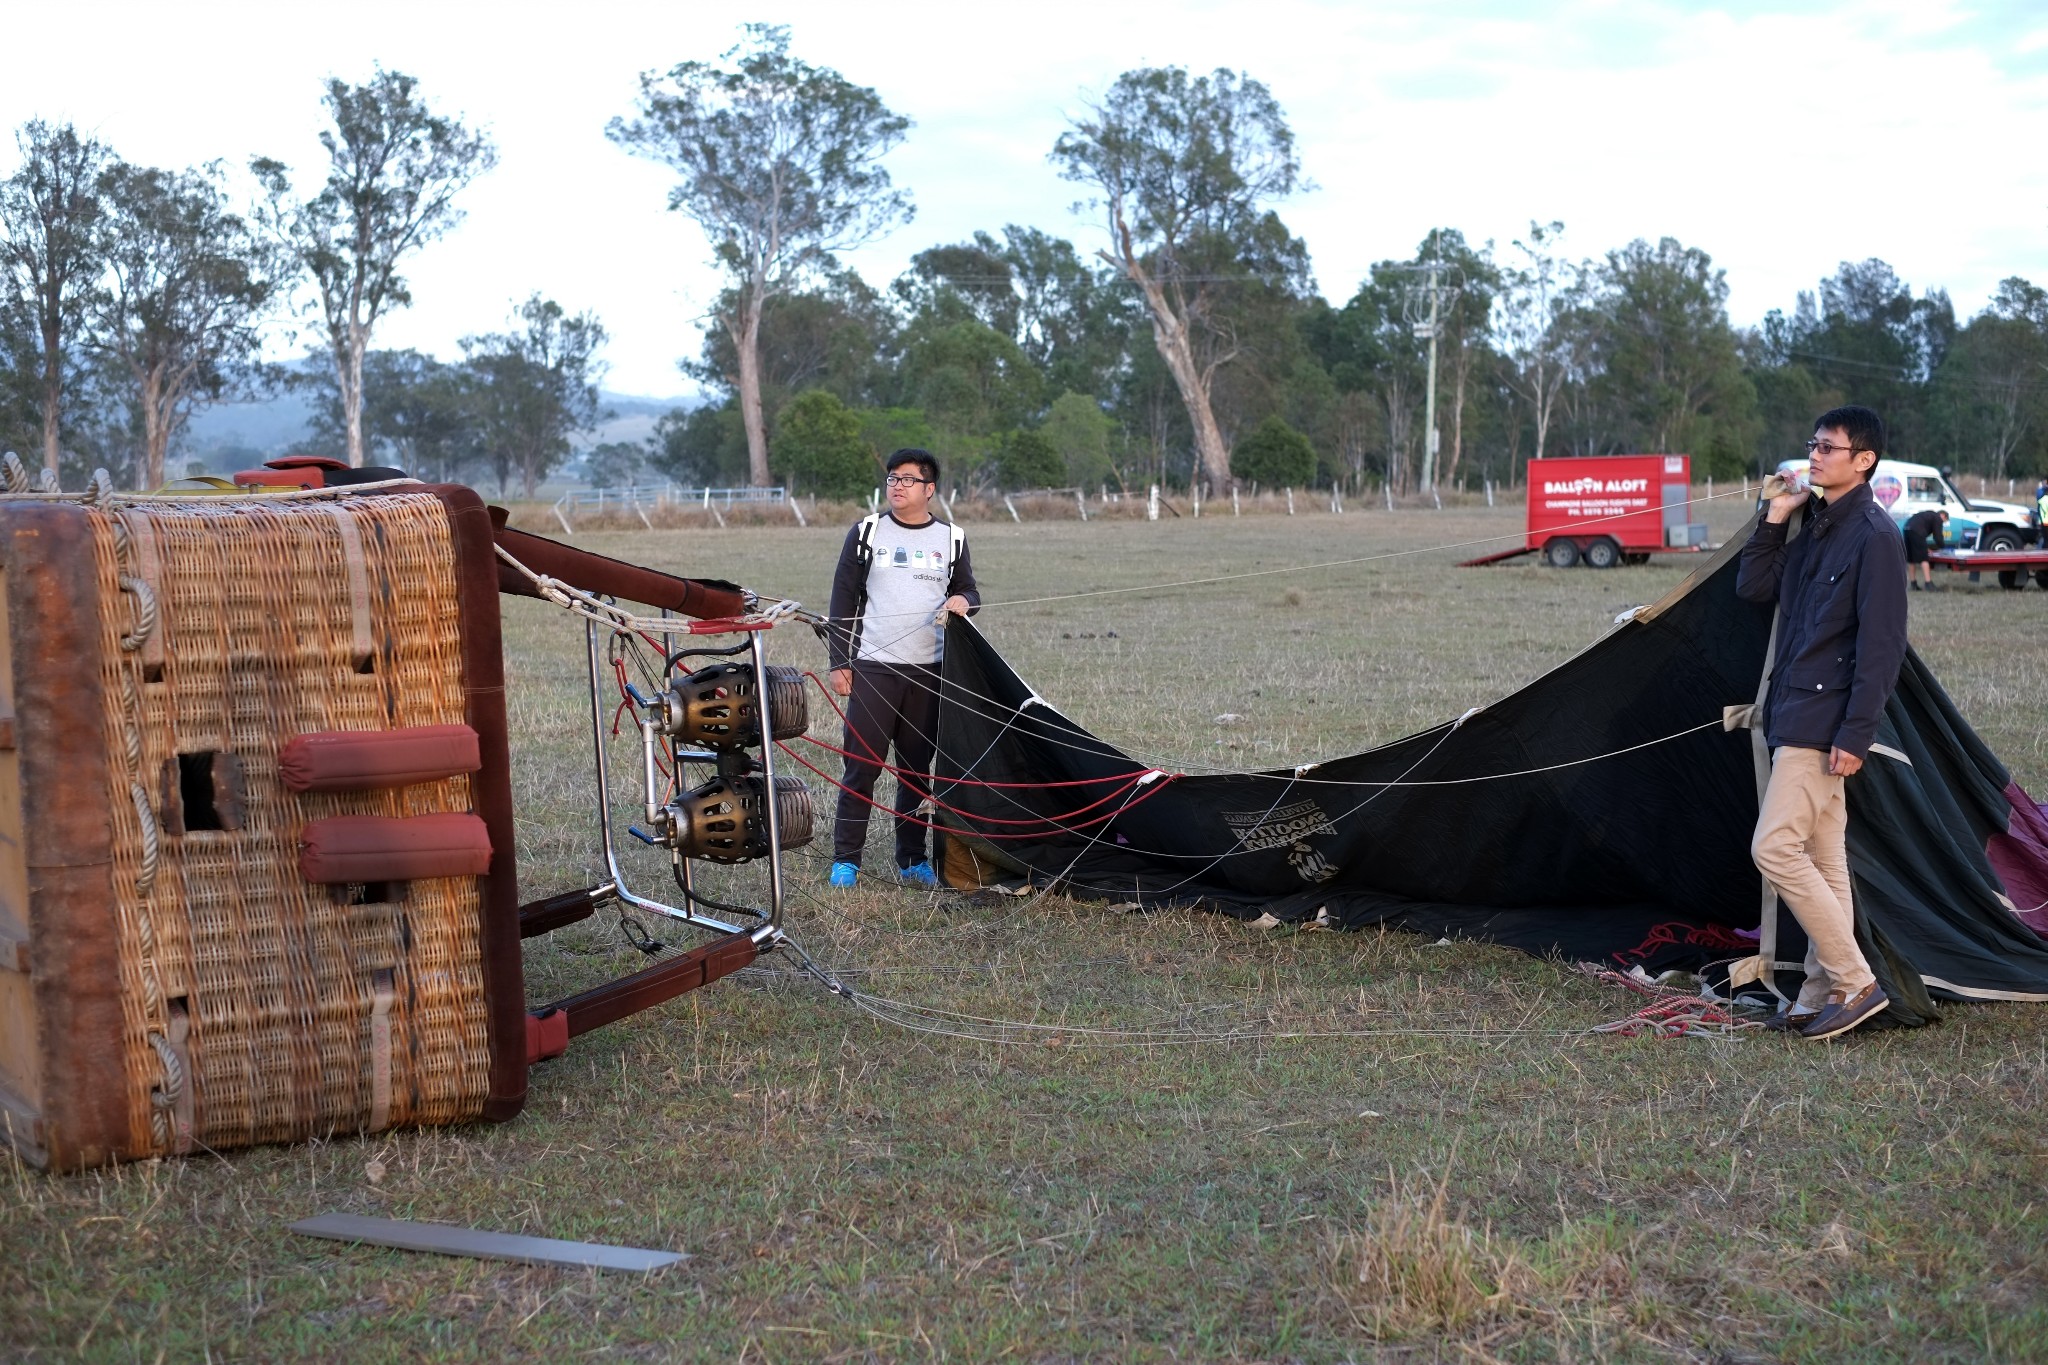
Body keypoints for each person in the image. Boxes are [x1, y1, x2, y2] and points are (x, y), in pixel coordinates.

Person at [1735, 405, 1909, 1040]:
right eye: (1812, 444)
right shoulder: (1814, 527)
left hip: (1824, 722)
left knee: (1773, 848)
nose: (1814, 455)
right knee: (1822, 858)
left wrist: (1856, 732)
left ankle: (1856, 981)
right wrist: (1776, 516)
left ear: (1863, 460)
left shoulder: (1877, 537)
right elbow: (1756, 588)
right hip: (1793, 711)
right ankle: (1815, 993)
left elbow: (1882, 647)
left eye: (1828, 448)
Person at [824, 449, 979, 888]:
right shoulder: (866, 533)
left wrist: (964, 601)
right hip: (874, 668)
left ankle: (912, 858)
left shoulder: (952, 538)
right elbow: (843, 600)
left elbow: (968, 589)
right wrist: (840, 661)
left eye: (908, 479)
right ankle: (846, 861)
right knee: (862, 767)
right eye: (892, 478)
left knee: (917, 770)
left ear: (929, 489)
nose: (897, 485)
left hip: (929, 673)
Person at [1901, 506, 1948, 591]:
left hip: (1906, 529)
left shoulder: (1927, 515)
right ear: (1943, 515)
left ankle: (1913, 584)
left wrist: (1926, 547)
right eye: (1944, 521)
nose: (1942, 523)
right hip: (1917, 531)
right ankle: (1928, 584)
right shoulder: (1937, 518)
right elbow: (1937, 536)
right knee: (1924, 558)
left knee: (1911, 559)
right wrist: (1942, 547)